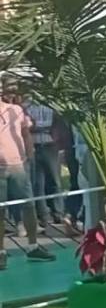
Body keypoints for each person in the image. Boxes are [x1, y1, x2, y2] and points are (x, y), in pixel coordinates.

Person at [0, 89, 55, 269]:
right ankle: (1, 253)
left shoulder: (15, 110)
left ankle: (33, 247)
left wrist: (29, 156)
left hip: (18, 165)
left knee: (28, 205)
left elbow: (25, 133)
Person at [21, 98, 62, 227]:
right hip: (34, 146)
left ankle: (58, 212)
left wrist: (38, 126)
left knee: (55, 180)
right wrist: (39, 127)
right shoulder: (26, 105)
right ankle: (43, 215)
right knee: (38, 183)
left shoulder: (51, 103)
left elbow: (55, 122)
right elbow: (27, 125)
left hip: (50, 145)